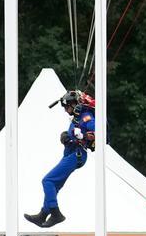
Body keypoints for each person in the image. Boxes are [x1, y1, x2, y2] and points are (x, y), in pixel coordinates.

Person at [25, 90, 96, 228]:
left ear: (74, 104)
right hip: (71, 152)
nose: (65, 110)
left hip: (77, 154)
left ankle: (55, 213)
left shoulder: (86, 117)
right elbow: (74, 134)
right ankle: (43, 214)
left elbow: (95, 133)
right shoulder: (77, 118)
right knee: (54, 185)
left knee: (48, 180)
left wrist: (82, 136)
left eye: (66, 107)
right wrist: (67, 137)